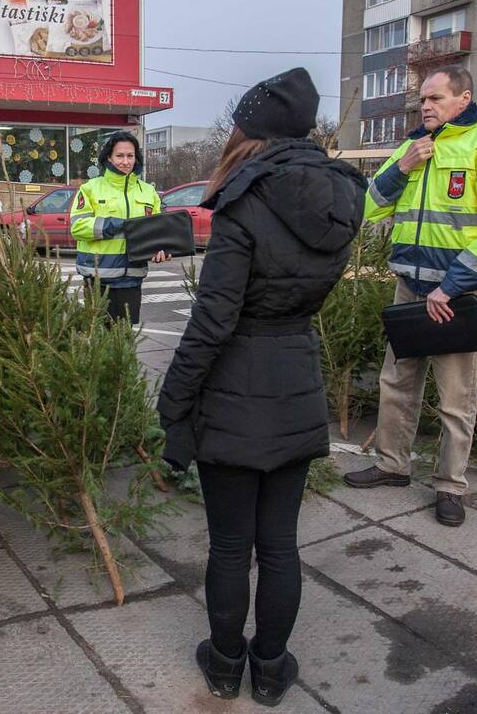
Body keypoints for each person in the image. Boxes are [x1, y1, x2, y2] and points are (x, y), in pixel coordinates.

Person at [157, 68, 367, 706]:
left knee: (229, 544)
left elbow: (212, 321)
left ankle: (225, 665)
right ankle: (271, 670)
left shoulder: (246, 199)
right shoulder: (337, 199)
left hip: (233, 389)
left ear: (250, 133)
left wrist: (173, 403)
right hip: (296, 377)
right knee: (279, 544)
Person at [344, 65, 477, 527]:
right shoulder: (411, 149)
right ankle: (391, 465)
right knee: (397, 384)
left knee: (455, 397)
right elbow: (368, 206)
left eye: (436, 98)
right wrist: (403, 168)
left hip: (456, 296)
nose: (425, 106)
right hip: (410, 289)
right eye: (422, 100)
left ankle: (449, 487)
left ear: (463, 99)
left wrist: (452, 284)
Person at [69, 131, 169, 324]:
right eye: (120, 155)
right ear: (109, 157)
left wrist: (162, 249)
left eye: (130, 155)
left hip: (132, 278)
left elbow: (158, 231)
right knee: (99, 340)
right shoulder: (90, 188)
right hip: (98, 278)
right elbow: (78, 227)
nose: (126, 161)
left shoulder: (149, 192)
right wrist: (114, 224)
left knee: (125, 342)